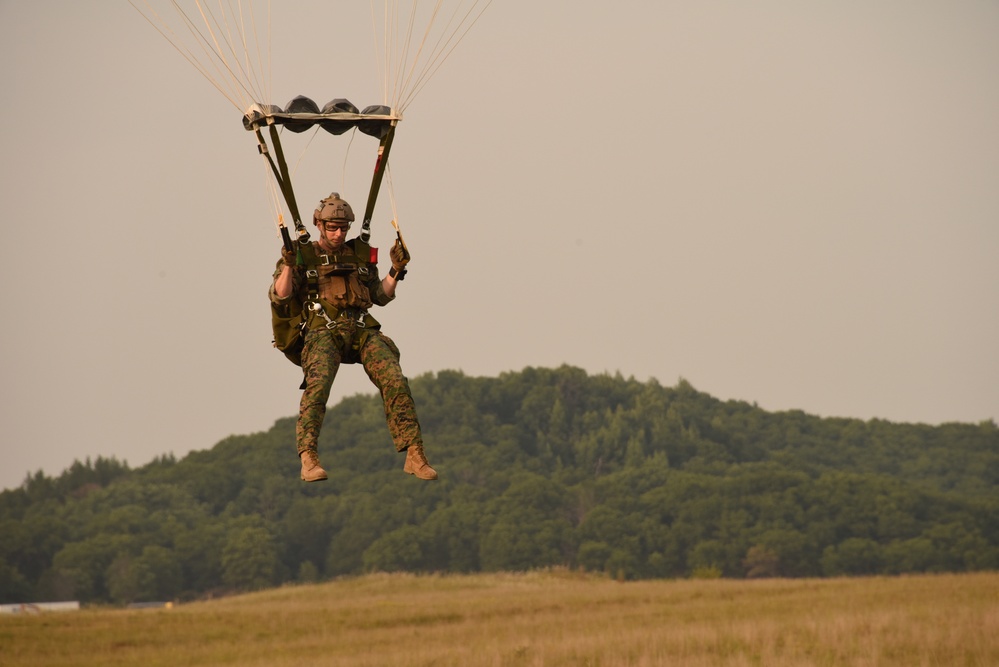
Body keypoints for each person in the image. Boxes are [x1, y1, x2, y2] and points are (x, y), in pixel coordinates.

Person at [270, 192, 437, 483]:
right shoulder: (300, 255)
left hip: (361, 330)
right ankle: (308, 457)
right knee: (318, 387)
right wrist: (287, 264)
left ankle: (414, 454)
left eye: (343, 228)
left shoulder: (358, 256)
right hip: (323, 332)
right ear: (319, 224)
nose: (338, 233)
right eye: (332, 227)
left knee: (395, 380)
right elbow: (280, 296)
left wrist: (396, 270)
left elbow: (379, 296)